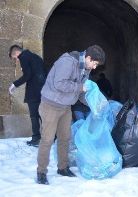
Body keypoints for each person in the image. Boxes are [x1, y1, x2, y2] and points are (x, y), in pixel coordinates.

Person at [36, 45, 105, 185]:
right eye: (95, 63)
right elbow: (59, 84)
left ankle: (62, 167)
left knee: (65, 138)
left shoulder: (85, 68)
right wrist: (80, 87)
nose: (95, 67)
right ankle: (41, 172)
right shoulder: (67, 62)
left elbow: (80, 93)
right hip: (50, 105)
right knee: (47, 139)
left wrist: (94, 105)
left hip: (65, 106)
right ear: (88, 57)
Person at [8, 45, 46, 147]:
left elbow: (27, 75)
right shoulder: (36, 57)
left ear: (15, 53)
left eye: (15, 58)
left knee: (34, 116)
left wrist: (14, 84)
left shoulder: (23, 57)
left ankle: (36, 139)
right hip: (43, 91)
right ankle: (51, 138)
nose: (16, 60)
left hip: (33, 92)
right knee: (44, 116)